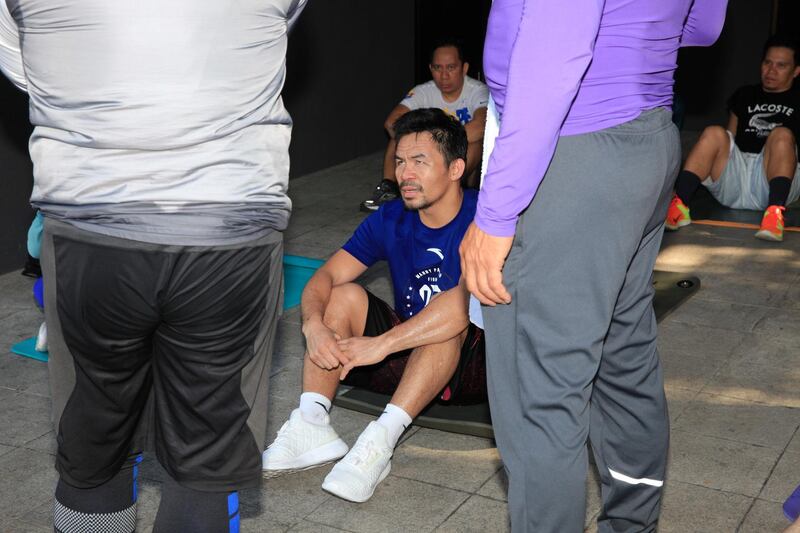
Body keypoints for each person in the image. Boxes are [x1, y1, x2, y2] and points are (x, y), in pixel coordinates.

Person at [0, 1, 307, 531]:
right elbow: (272, 30)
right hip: (228, 229)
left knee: (94, 433)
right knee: (207, 453)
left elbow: (29, 68)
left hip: (92, 229)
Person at [459, 1, 727, 531]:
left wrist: (496, 211)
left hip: (573, 151)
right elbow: (705, 24)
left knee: (542, 394)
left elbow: (554, 58)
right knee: (622, 357)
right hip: (648, 140)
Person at [263, 108, 486, 502]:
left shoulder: (486, 216)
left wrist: (380, 344)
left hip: (476, 365)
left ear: (455, 168)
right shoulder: (392, 217)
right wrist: (313, 324)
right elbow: (324, 278)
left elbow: (461, 306)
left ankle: (380, 441)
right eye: (400, 161)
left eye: (420, 161)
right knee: (343, 294)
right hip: (409, 354)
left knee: (446, 319)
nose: (405, 174)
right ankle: (311, 421)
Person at [667, 35, 800, 242]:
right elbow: (729, 138)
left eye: (781, 65)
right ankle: (679, 205)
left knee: (781, 134)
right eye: (767, 62)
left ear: (796, 71)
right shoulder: (745, 95)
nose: (771, 70)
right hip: (736, 175)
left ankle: (775, 214)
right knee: (714, 132)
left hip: (773, 178)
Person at [360, 40, 488, 211]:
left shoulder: (478, 90)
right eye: (437, 68)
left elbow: (481, 125)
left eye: (450, 67)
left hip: (462, 163)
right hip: (427, 160)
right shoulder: (423, 91)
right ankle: (389, 189)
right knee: (401, 132)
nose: (444, 75)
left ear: (464, 68)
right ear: (430, 69)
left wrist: (438, 146)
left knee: (475, 142)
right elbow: (391, 122)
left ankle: (454, 192)